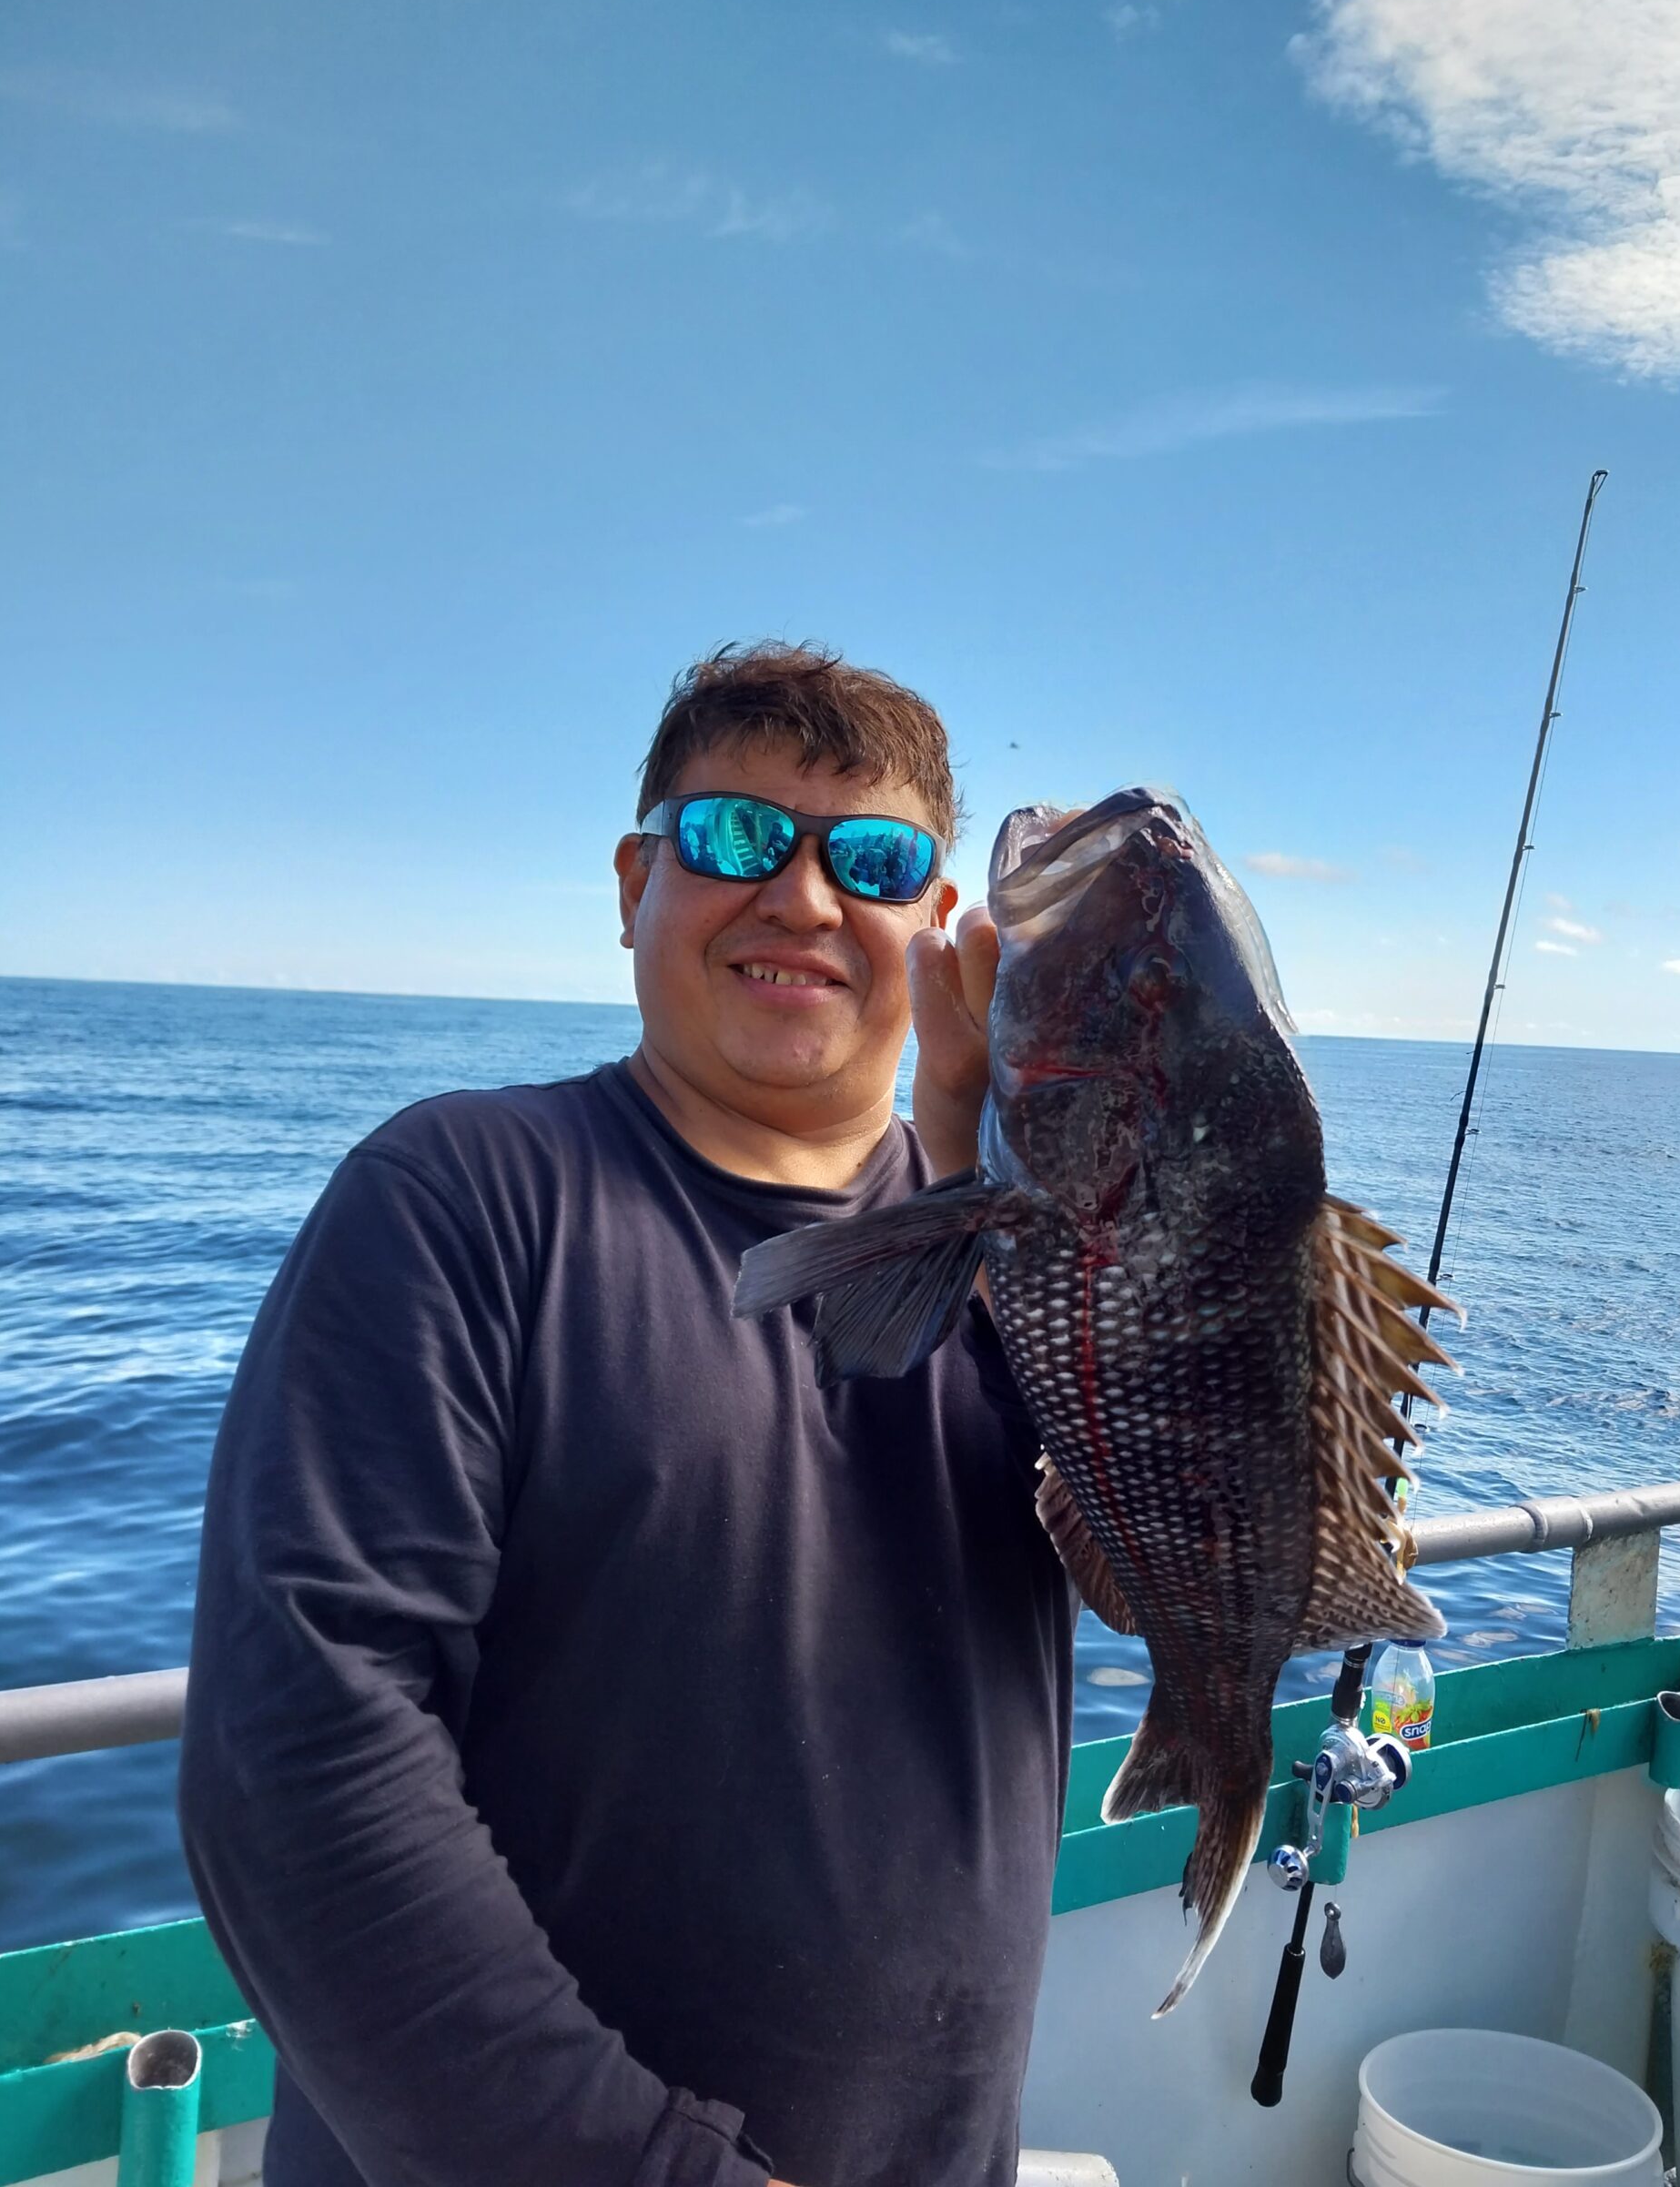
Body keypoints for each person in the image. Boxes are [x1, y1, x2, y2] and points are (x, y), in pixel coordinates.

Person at [178, 644, 1074, 2187]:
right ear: (631, 881)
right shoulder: (460, 1194)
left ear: (939, 926)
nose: (799, 898)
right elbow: (299, 1760)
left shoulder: (1039, 1264)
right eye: (735, 837)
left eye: (869, 857)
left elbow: (1171, 1556)